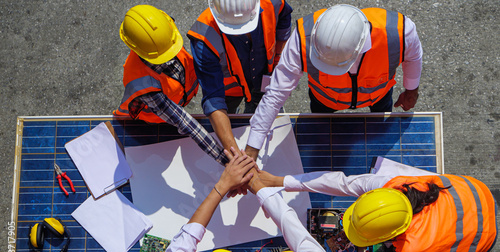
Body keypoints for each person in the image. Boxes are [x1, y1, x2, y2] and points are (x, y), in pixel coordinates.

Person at [254, 170, 497, 252]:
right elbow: (342, 182)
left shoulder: (414, 248)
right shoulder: (392, 186)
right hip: (475, 192)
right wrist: (280, 181)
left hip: (480, 238)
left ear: (389, 237)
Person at [245, 4, 422, 160]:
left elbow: (413, 57)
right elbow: (276, 92)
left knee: (379, 137)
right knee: (323, 144)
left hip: (378, 97)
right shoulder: (302, 39)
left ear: (360, 48)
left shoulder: (400, 32)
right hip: (324, 101)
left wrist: (411, 89)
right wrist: (253, 146)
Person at [114, 5, 228, 166]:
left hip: (179, 100)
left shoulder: (164, 41)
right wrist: (226, 161)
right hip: (154, 120)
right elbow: (185, 123)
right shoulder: (143, 85)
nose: (172, 53)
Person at [187, 0, 293, 156]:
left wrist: (279, 60)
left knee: (266, 105)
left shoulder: (272, 3)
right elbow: (213, 98)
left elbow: (284, 17)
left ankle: (256, 101)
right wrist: (236, 157)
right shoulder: (203, 37)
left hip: (265, 75)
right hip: (230, 92)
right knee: (229, 117)